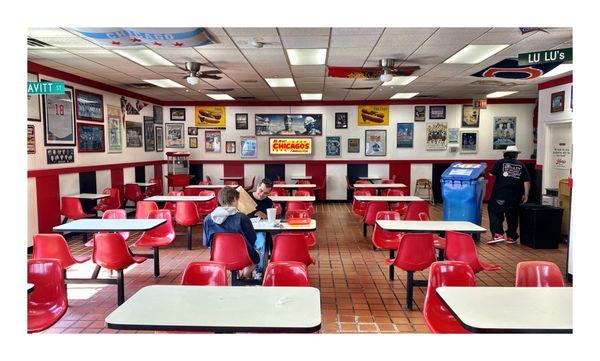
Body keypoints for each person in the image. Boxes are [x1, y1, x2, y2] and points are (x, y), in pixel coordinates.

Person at [202, 186, 259, 279]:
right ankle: (244, 277)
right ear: (234, 199)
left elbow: (207, 242)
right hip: (242, 257)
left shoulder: (208, 218)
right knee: (256, 255)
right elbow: (252, 239)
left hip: (218, 257)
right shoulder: (242, 217)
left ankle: (237, 277)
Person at [487, 145, 531, 244]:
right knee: (512, 215)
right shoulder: (521, 165)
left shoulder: (500, 162)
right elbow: (526, 181)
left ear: (505, 154)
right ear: (516, 155)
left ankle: (498, 234)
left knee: (495, 211)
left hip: (500, 194)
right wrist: (526, 194)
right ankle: (511, 236)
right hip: (515, 195)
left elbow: (490, 174)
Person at [247, 179, 275, 275]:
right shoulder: (246, 196)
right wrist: (253, 213)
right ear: (258, 186)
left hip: (259, 231)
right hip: (244, 230)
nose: (262, 194)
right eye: (261, 190)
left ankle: (259, 272)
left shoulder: (269, 202)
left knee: (262, 242)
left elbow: (271, 220)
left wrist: (266, 216)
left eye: (266, 193)